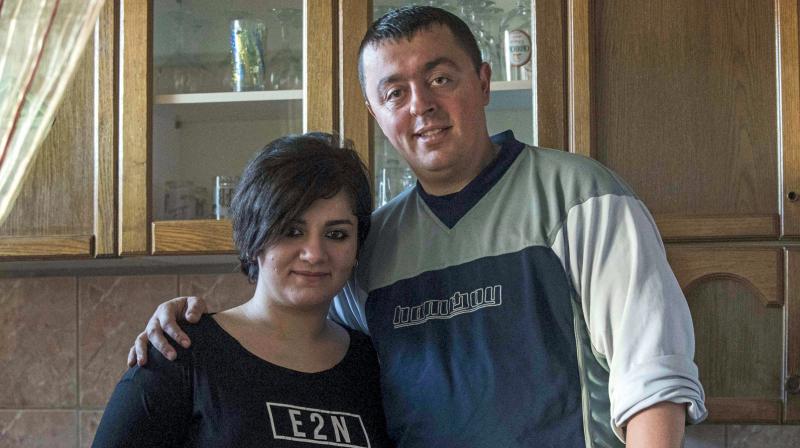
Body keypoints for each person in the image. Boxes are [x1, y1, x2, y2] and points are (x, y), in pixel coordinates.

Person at [129, 6, 706, 447]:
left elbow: (654, 384)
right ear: (377, 113)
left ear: (482, 83)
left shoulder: (580, 199)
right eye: (395, 92)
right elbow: (294, 329)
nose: (421, 106)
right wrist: (189, 320)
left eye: (441, 78)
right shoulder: (372, 245)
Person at [94, 133, 392, 447]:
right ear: (253, 237)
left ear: (358, 245)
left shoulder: (374, 365)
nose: (314, 253)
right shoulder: (180, 353)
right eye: (292, 231)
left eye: (336, 234)